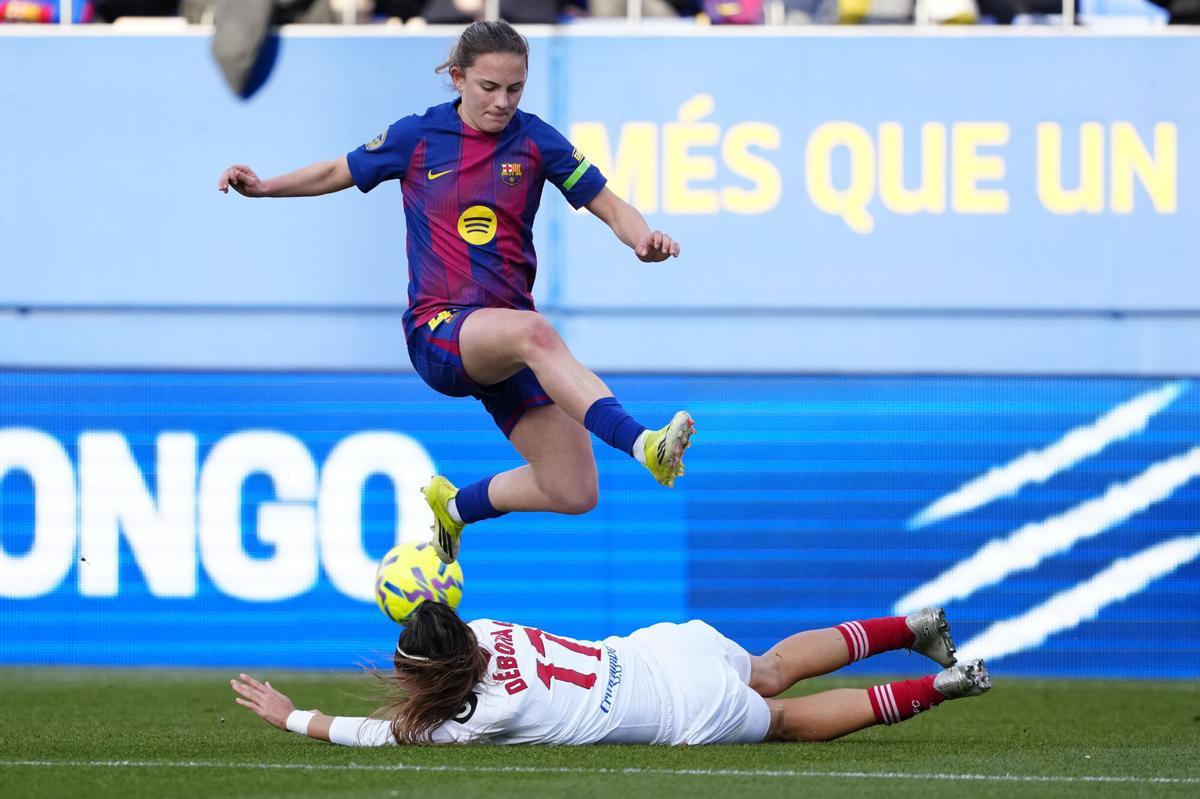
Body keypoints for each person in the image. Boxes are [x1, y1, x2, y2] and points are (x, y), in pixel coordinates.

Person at [217, 20, 694, 565]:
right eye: (489, 87)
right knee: (534, 332)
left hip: (505, 344)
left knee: (574, 489)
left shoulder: (536, 140)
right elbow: (336, 170)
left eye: (515, 89)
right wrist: (264, 187)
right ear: (457, 78)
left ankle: (456, 507)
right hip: (439, 331)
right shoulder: (417, 137)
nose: (502, 101)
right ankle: (642, 444)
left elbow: (609, 204)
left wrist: (643, 240)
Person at [231, 602, 991, 746]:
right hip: (665, 647)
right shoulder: (489, 627)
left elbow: (371, 733)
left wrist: (291, 714)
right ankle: (911, 626)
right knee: (772, 666)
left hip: (677, 704)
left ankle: (942, 686)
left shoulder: (477, 718)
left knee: (789, 719)